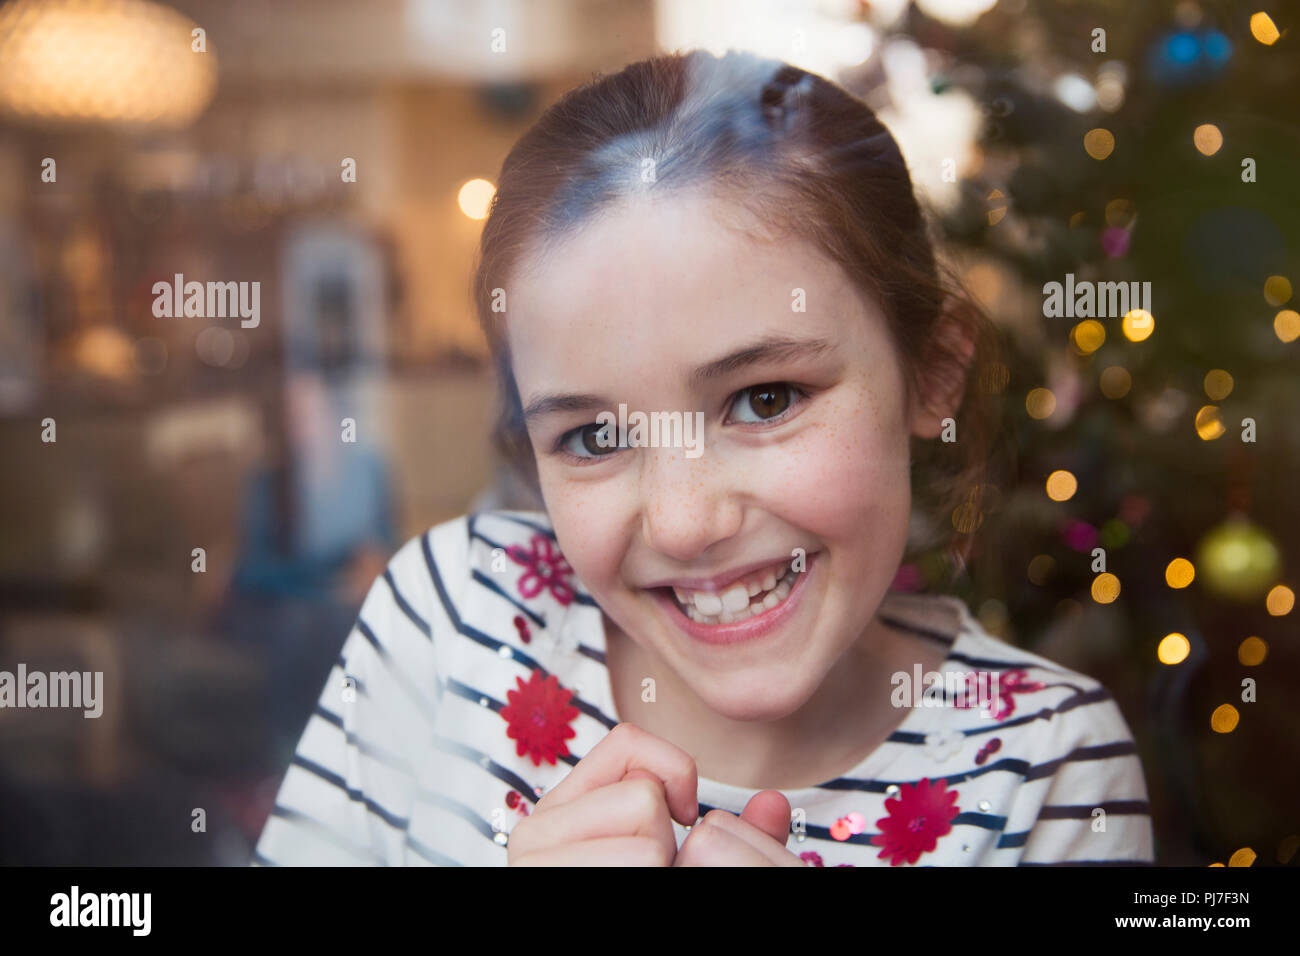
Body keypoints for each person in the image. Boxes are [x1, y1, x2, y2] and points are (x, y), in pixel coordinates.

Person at [252, 49, 1153, 866]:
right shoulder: (453, 622)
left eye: (765, 400)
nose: (683, 525)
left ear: (933, 374)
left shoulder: (1047, 768)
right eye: (594, 438)